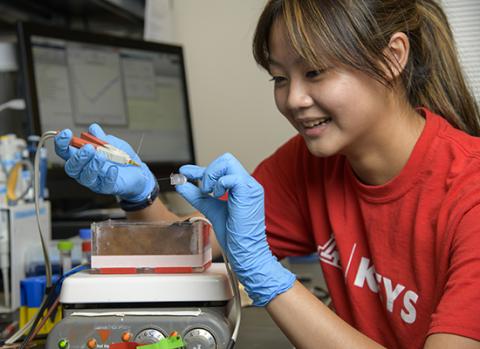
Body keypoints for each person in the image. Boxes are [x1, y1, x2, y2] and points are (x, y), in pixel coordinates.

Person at [54, 0, 480, 348]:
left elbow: (253, 261)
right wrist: (141, 196)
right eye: (280, 77)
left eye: (314, 71)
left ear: (392, 59)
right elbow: (200, 250)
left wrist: (266, 275)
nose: (293, 99)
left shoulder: (470, 192)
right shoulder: (308, 161)